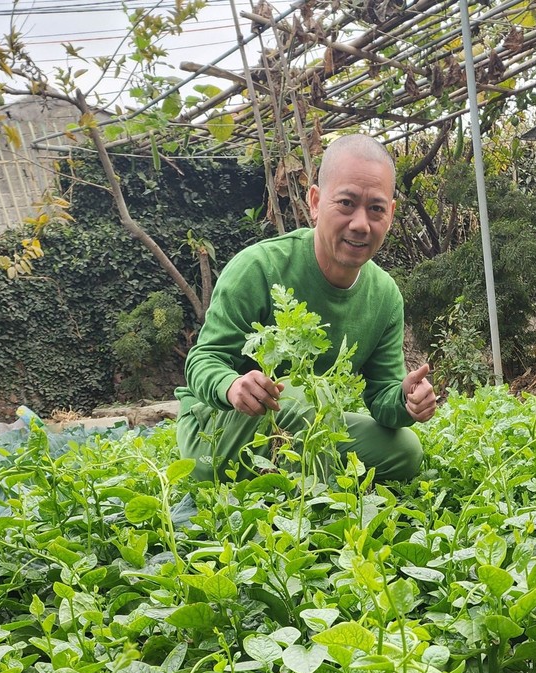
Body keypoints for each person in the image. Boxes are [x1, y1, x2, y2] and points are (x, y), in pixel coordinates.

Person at [175, 134, 437, 483]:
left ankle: (295, 478)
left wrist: (405, 400)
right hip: (219, 431)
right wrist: (232, 385)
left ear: (389, 214)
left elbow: (382, 397)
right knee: (295, 396)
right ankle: (315, 502)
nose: (361, 223)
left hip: (310, 427)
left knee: (405, 451)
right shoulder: (258, 268)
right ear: (315, 202)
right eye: (346, 203)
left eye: (375, 208)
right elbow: (202, 361)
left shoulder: (385, 296)